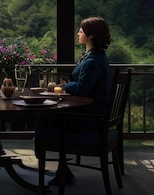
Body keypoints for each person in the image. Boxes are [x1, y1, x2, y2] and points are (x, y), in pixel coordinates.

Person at [35, 16, 112, 186]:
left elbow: (81, 89)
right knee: (48, 117)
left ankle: (54, 164)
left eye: (81, 31)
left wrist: (63, 86)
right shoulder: (96, 57)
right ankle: (63, 169)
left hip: (90, 119)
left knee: (44, 118)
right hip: (95, 114)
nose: (78, 33)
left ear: (90, 36)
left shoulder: (92, 61)